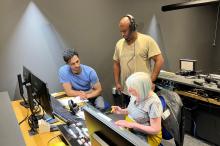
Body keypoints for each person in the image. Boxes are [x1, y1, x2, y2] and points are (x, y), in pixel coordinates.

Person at [113, 14, 164, 107]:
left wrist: (151, 81)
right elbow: (116, 63)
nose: (122, 34)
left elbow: (159, 60)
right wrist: (117, 82)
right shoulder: (119, 44)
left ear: (132, 27)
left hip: (143, 90)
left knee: (143, 118)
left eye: (125, 31)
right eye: (121, 31)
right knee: (129, 116)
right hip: (126, 91)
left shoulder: (147, 40)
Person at [112, 72, 163, 146]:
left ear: (142, 89)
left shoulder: (154, 102)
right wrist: (121, 111)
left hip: (146, 135)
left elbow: (155, 129)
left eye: (132, 88)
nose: (128, 91)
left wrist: (132, 125)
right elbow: (133, 110)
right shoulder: (135, 94)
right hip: (132, 127)